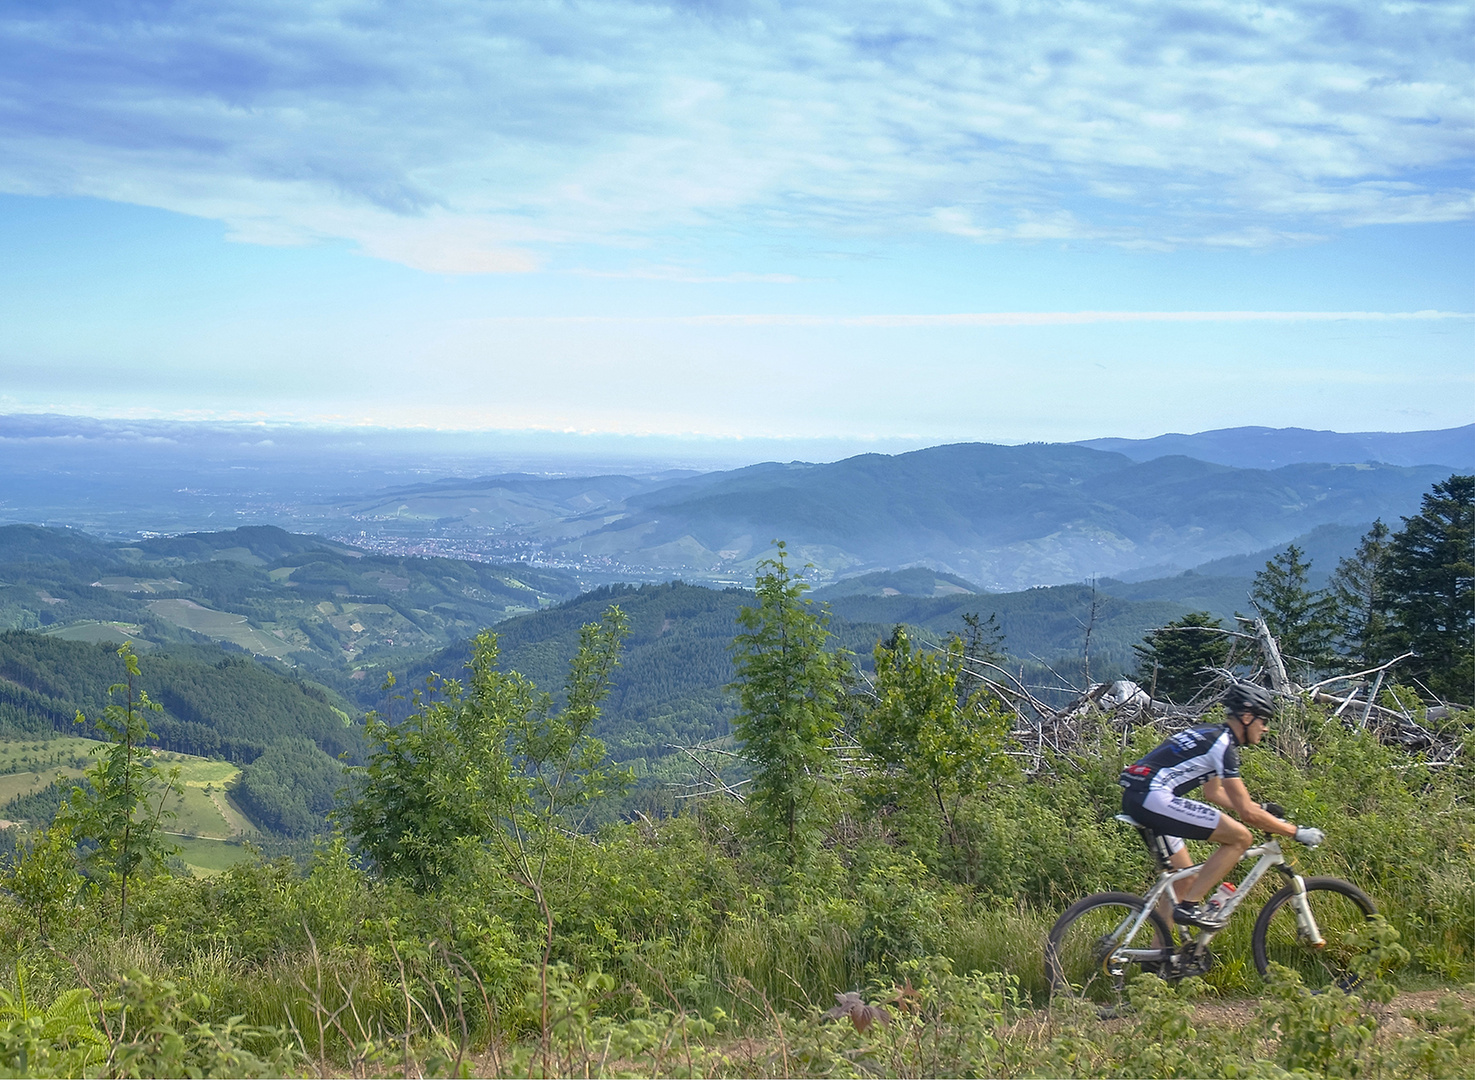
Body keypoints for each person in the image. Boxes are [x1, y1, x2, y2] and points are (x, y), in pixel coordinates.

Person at [1119, 682, 1325, 928]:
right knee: (1241, 838)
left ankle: (1158, 959)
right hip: (1152, 796)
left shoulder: (1212, 734)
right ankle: (1189, 908)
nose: (1266, 728)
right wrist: (1295, 832)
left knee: (1184, 880)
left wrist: (1260, 809)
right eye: (1264, 720)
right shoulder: (1223, 746)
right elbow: (1246, 813)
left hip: (1138, 796)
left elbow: (1214, 792)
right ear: (1247, 717)